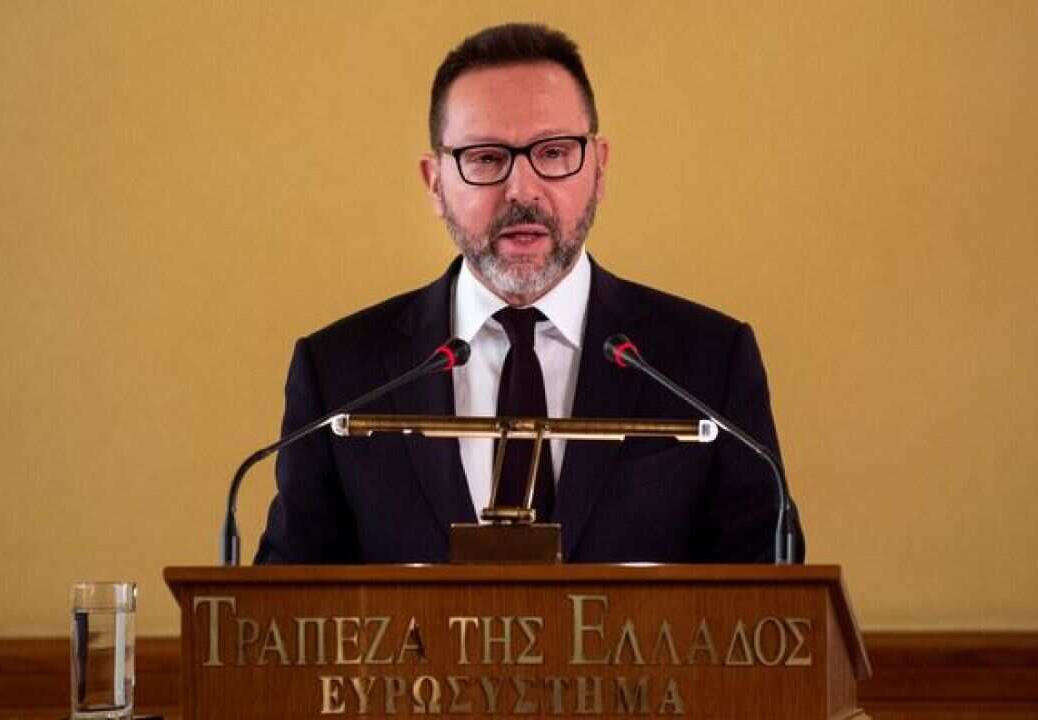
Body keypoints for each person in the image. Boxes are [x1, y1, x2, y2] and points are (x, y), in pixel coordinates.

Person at [254, 22, 803, 564]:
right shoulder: (342, 374)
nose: (522, 189)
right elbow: (283, 610)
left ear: (599, 168)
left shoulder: (706, 362)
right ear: (435, 184)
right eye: (486, 158)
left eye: (555, 152)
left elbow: (769, 595)